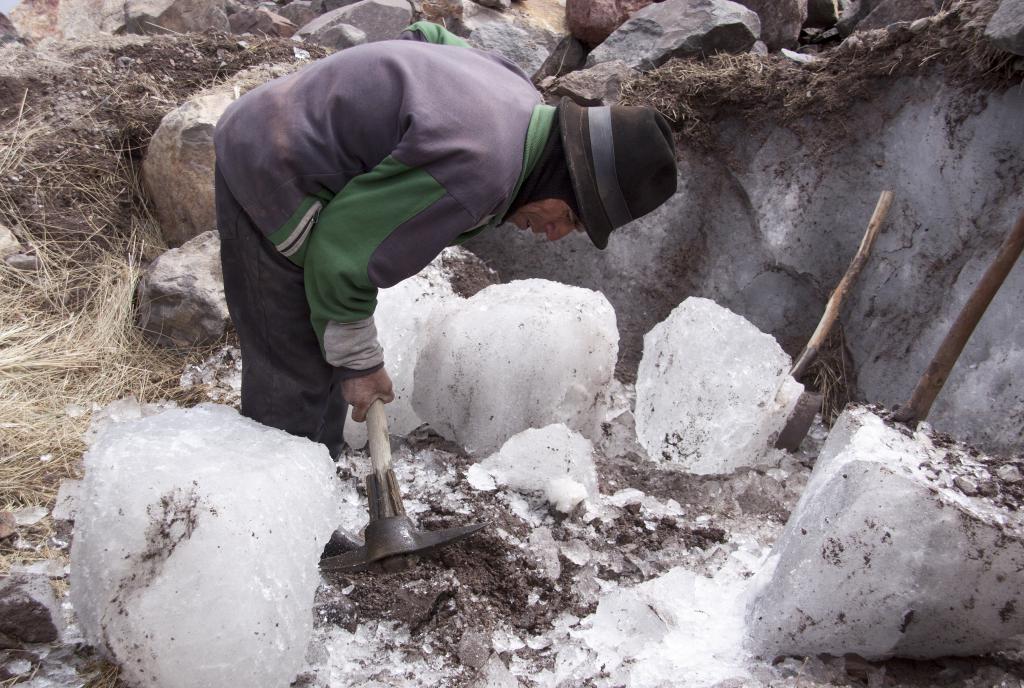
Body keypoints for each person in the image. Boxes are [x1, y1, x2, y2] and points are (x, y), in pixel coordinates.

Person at [213, 21, 678, 457]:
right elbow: (339, 258)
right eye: (572, 218)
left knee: (322, 344)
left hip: (280, 122)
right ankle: (272, 519)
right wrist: (360, 364)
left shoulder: (517, 95)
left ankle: (313, 482)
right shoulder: (480, 167)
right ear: (566, 180)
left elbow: (427, 34)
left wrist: (367, 107)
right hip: (270, 166)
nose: (555, 235)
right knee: (296, 368)